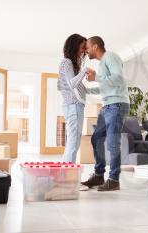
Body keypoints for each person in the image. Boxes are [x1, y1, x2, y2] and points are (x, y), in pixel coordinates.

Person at [81, 36, 130, 191]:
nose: (86, 50)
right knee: (96, 139)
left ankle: (114, 179)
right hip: (108, 105)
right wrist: (85, 90)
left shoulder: (111, 56)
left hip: (117, 105)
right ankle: (98, 175)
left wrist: (97, 77)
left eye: (87, 47)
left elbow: (119, 79)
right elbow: (105, 87)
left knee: (112, 142)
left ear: (95, 46)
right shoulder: (103, 63)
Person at [57, 33, 87, 163]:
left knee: (73, 144)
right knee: (73, 144)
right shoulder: (67, 62)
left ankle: (64, 174)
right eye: (82, 48)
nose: (83, 52)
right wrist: (84, 71)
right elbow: (72, 83)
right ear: (74, 47)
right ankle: (67, 176)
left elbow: (76, 87)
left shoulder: (71, 64)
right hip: (73, 107)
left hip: (75, 106)